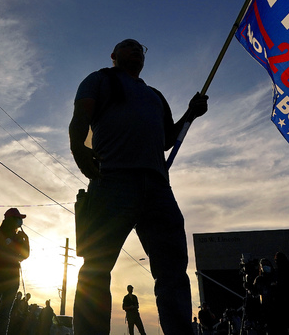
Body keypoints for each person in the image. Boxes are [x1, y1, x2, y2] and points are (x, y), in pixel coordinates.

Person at [69, 38, 208, 335]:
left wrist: (190, 114)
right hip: (112, 181)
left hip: (158, 187)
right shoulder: (99, 79)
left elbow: (168, 138)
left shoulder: (155, 95)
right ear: (114, 55)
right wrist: (77, 147)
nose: (136, 50)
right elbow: (81, 116)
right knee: (96, 267)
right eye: (128, 46)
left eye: (140, 48)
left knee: (172, 272)